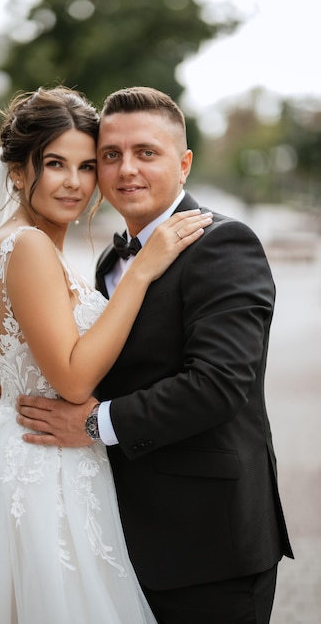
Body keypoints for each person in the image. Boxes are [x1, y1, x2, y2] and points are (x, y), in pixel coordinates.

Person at [0, 86, 213, 623]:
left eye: (87, 165)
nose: (74, 182)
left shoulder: (35, 245)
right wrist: (141, 272)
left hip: (45, 445)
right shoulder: (27, 247)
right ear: (20, 171)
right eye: (54, 164)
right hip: (39, 464)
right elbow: (71, 381)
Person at [16, 86, 294, 624]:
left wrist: (95, 425)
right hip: (122, 538)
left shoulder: (224, 244)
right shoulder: (106, 262)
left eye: (147, 153)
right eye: (111, 156)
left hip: (209, 544)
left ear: (184, 163)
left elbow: (218, 384)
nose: (126, 170)